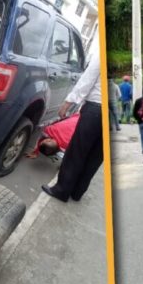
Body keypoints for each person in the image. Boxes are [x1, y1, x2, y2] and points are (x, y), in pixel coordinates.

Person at [41, 47, 103, 203]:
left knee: (77, 152)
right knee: (95, 157)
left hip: (95, 109)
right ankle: (77, 192)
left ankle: (62, 190)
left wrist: (69, 102)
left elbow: (88, 79)